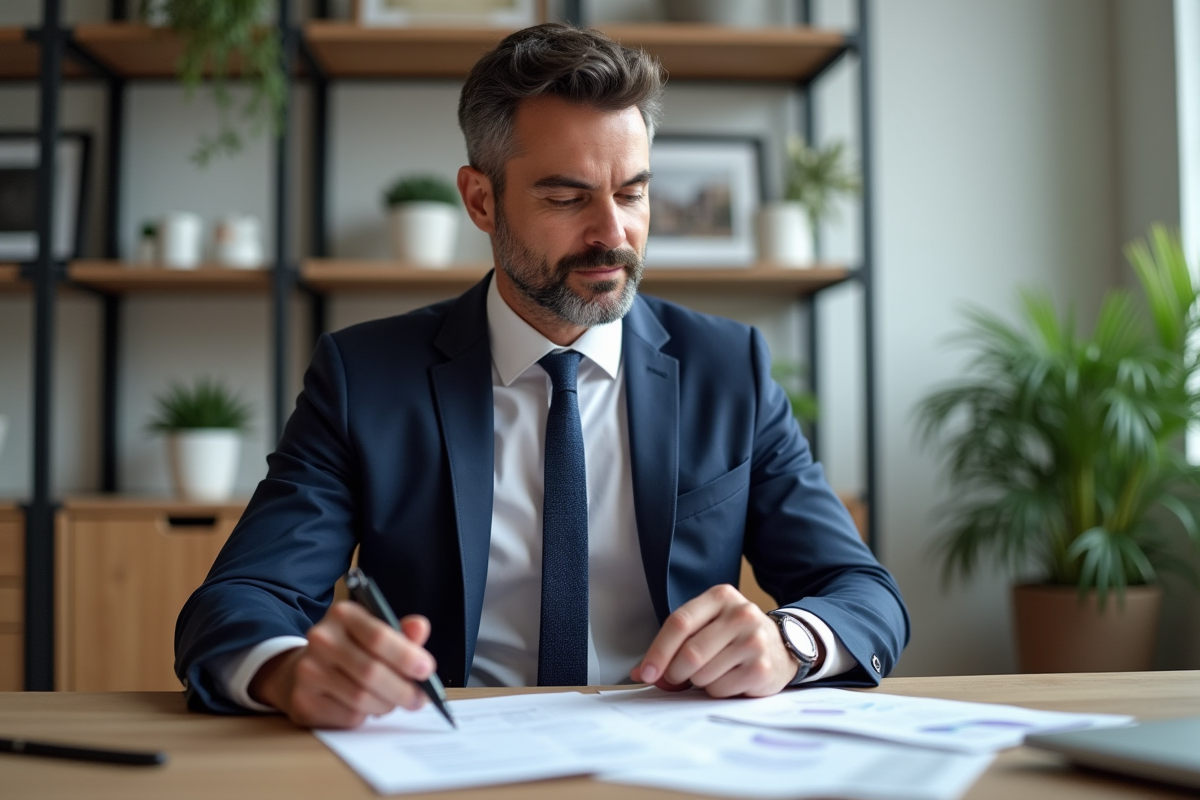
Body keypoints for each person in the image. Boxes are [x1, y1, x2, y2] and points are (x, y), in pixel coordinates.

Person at [175, 23, 909, 729]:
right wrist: (289, 670)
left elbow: (860, 591)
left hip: (676, 753)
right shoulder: (365, 377)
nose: (612, 235)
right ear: (480, 200)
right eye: (566, 197)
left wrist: (791, 643)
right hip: (446, 753)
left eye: (632, 193)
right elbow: (243, 598)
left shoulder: (729, 369)